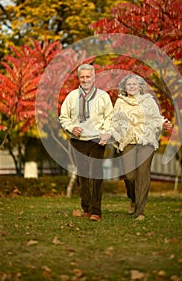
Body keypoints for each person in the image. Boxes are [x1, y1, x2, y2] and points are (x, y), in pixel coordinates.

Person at [112, 75, 172, 221]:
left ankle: (140, 211)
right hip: (128, 140)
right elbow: (115, 121)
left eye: (135, 84)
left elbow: (156, 119)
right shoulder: (120, 102)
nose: (132, 86)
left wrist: (163, 124)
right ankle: (132, 198)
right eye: (129, 84)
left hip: (146, 140)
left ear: (140, 86)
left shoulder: (149, 101)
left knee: (143, 173)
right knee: (129, 175)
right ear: (124, 87)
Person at [59, 64, 113, 221]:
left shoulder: (103, 96)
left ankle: (96, 211)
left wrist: (106, 134)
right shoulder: (71, 97)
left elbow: (110, 117)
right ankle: (86, 207)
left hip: (97, 140)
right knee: (82, 176)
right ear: (79, 78)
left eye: (88, 76)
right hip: (78, 141)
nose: (85, 80)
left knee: (96, 175)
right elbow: (64, 117)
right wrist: (71, 127)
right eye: (82, 77)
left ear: (94, 77)